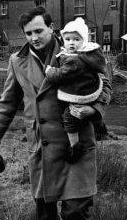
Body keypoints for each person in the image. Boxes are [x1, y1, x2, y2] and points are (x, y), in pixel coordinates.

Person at [0, 6, 111, 220]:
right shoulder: (17, 61)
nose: (34, 37)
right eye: (28, 33)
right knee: (45, 209)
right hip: (41, 145)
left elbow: (105, 85)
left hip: (74, 142)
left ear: (52, 28)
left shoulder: (77, 50)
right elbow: (7, 104)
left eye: (39, 31)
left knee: (75, 209)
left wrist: (94, 110)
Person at [44, 17, 107, 164]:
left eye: (76, 39)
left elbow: (62, 74)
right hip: (85, 91)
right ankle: (100, 128)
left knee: (69, 118)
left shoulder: (75, 59)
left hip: (80, 95)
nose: (71, 43)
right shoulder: (88, 55)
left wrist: (49, 71)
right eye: (68, 39)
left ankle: (75, 146)